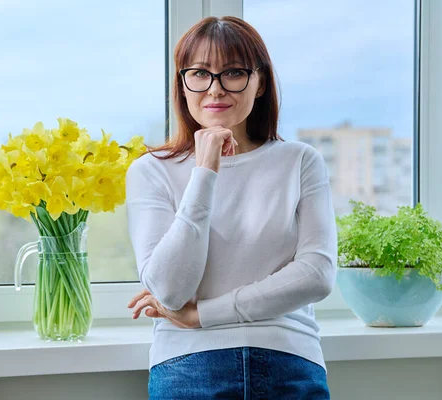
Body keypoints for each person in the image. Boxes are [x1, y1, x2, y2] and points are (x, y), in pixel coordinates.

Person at [125, 16, 337, 399]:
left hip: (288, 358)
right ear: (183, 84)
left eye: (234, 73)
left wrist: (202, 315)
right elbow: (171, 290)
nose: (215, 89)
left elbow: (316, 275)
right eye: (200, 74)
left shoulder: (300, 161)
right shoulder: (150, 171)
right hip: (188, 365)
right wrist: (205, 170)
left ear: (260, 83)